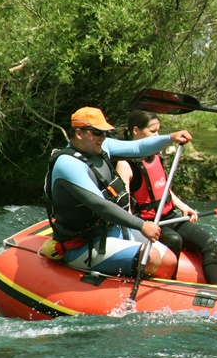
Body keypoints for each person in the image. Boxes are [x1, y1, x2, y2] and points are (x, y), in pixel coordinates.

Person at [44, 106, 192, 278]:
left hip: (114, 230)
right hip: (84, 244)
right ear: (79, 133)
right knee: (151, 258)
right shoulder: (68, 164)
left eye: (104, 133)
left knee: (169, 260)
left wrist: (170, 138)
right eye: (98, 132)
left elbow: (137, 148)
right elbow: (100, 205)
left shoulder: (102, 147)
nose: (102, 137)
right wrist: (141, 225)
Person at [115, 110, 217, 285]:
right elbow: (124, 205)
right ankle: (168, 286)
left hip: (169, 215)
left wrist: (182, 206)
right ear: (136, 130)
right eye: (153, 131)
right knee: (174, 240)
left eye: (159, 130)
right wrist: (137, 228)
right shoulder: (125, 164)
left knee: (210, 243)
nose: (157, 135)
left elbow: (163, 188)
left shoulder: (156, 155)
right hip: (148, 222)